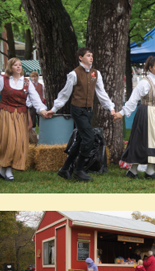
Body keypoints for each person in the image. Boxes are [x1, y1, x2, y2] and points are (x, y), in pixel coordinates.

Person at [45, 47, 115, 182]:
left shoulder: (96, 73)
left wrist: (110, 108)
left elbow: (101, 93)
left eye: (92, 55)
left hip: (89, 111)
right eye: (88, 55)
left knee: (81, 140)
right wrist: (54, 109)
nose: (91, 58)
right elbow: (65, 93)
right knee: (89, 138)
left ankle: (65, 169)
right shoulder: (74, 74)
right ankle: (79, 170)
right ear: (80, 58)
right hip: (77, 110)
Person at [113, 56, 155, 180]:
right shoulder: (145, 82)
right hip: (146, 113)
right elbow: (133, 100)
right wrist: (121, 113)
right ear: (150, 68)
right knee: (142, 142)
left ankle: (150, 171)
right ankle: (132, 170)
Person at [0, 58, 47, 181]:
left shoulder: (26, 83)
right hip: (5, 114)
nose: (18, 67)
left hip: (20, 115)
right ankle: (8, 170)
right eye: (15, 65)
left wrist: (43, 110)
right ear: (10, 67)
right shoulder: (3, 80)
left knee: (18, 142)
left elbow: (36, 99)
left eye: (20, 65)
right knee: (8, 141)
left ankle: (3, 171)